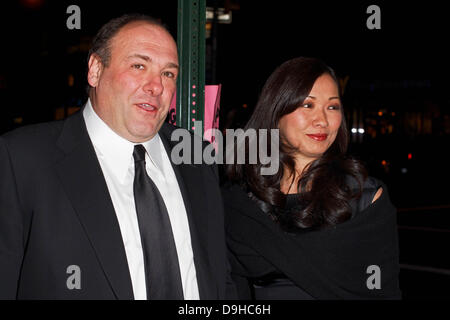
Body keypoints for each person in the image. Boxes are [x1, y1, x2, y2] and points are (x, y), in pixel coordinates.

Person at [0, 14, 234, 300]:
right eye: (139, 66)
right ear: (96, 70)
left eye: (168, 74)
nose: (156, 86)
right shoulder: (22, 159)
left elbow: (220, 277)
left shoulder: (197, 157)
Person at [222, 57, 401, 299]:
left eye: (332, 107)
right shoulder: (242, 199)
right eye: (308, 105)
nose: (323, 121)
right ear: (276, 111)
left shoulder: (365, 199)